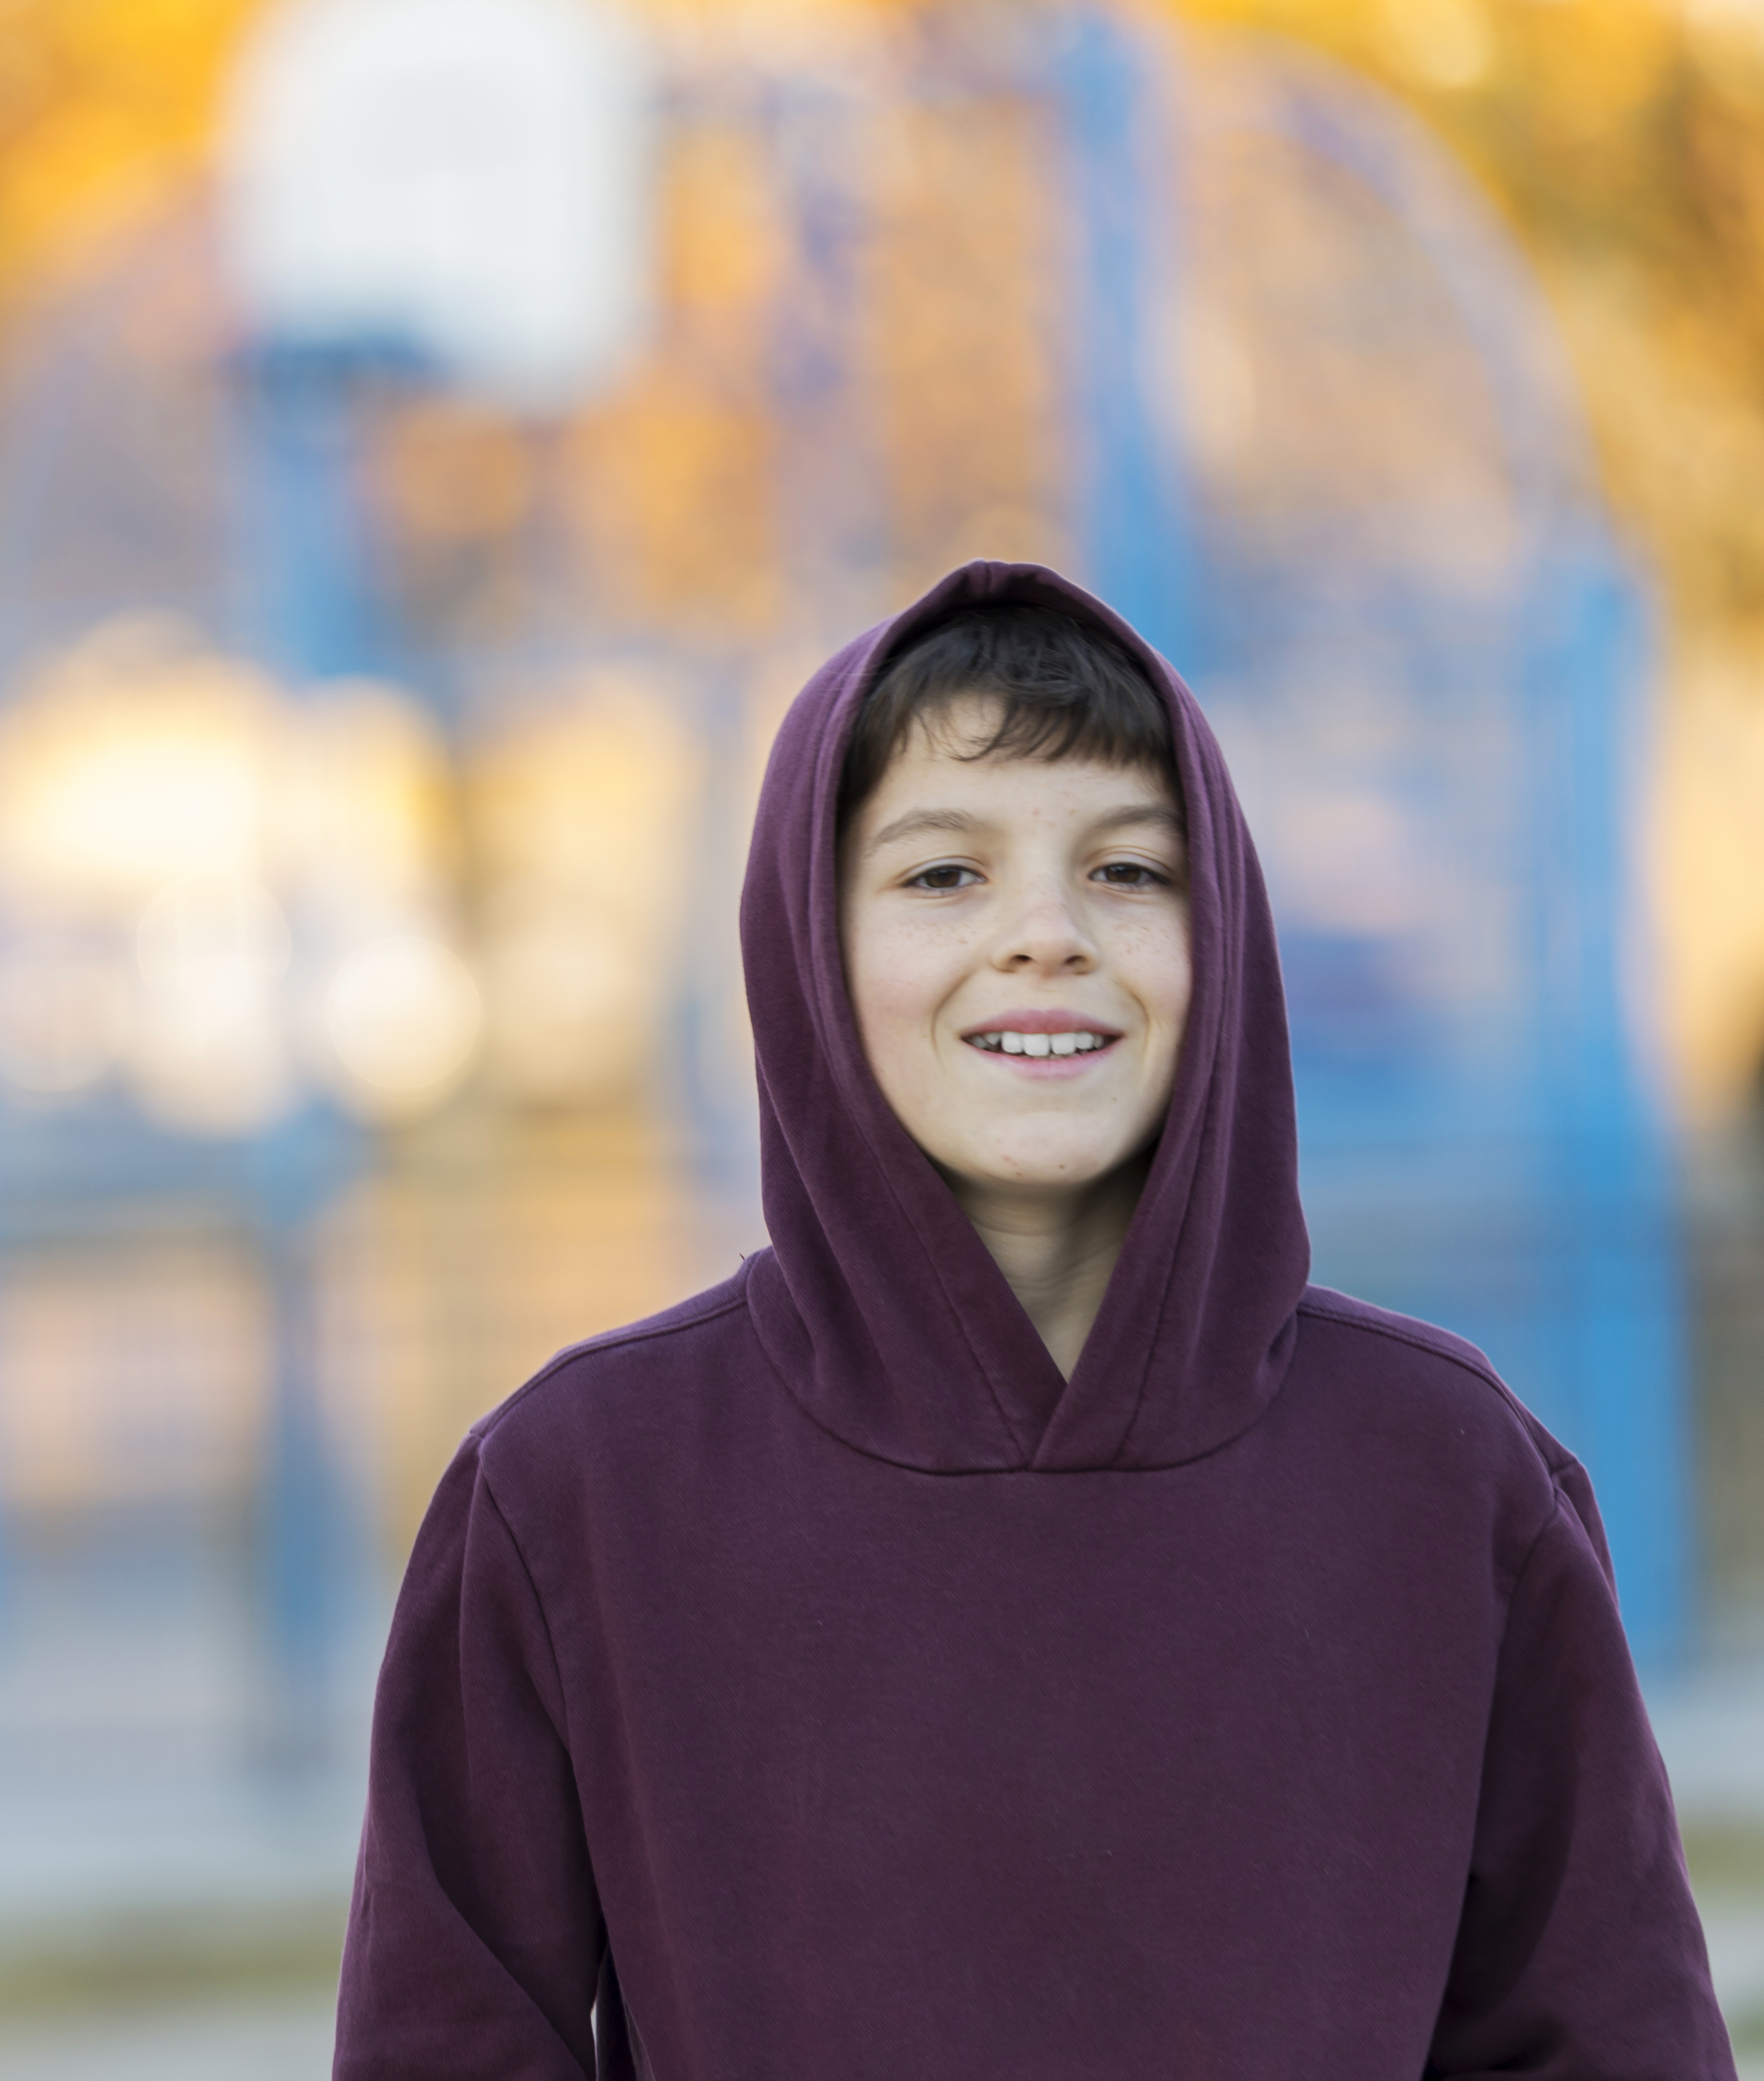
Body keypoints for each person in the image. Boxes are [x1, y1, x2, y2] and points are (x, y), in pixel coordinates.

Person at [332, 561, 1732, 2076]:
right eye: (945, 874)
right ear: (808, 944)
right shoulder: (576, 1494)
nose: (1046, 934)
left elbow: (1607, 2037)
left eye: (1130, 872)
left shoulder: (1450, 1480)